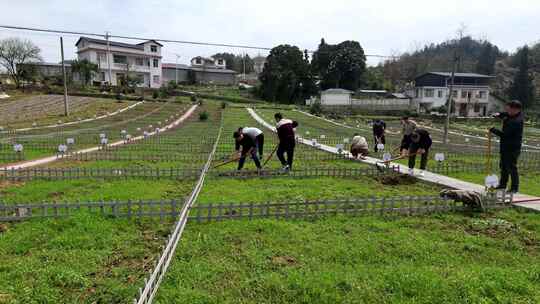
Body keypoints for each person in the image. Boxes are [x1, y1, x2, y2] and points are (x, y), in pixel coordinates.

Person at [489, 100, 524, 193]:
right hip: (505, 146)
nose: (507, 111)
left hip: (512, 148)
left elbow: (505, 135)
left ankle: (514, 188)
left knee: (512, 167)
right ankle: (502, 185)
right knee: (503, 166)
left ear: (516, 109)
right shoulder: (512, 115)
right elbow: (505, 114)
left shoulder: (516, 121)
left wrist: (493, 130)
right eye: (507, 109)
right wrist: (498, 114)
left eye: (509, 110)